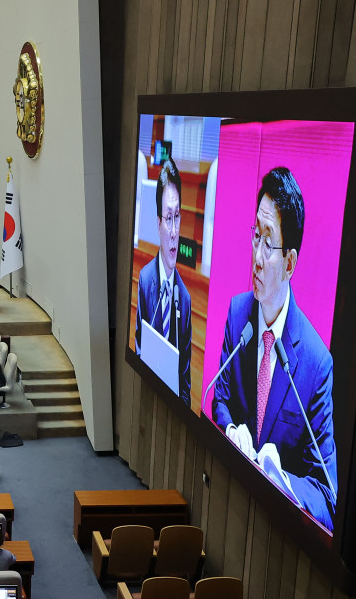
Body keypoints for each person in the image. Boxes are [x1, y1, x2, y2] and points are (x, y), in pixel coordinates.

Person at [211, 166, 337, 531]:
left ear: (290, 263)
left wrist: (281, 480)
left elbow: (327, 496)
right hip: (226, 501)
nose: (257, 256)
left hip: (275, 532)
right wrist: (230, 429)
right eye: (256, 235)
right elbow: (219, 398)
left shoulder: (316, 364)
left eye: (269, 243)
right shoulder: (237, 314)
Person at [134, 158, 192, 405]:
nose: (174, 231)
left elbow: (185, 382)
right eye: (169, 218)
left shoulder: (185, 299)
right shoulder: (146, 280)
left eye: (177, 216)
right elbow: (139, 350)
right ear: (158, 223)